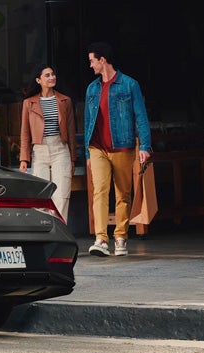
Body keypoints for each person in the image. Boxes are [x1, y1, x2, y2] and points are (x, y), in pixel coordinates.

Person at [84, 42, 152, 257]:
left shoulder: (130, 85)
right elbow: (87, 121)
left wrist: (145, 146)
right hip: (97, 147)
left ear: (102, 60)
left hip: (123, 146)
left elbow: (141, 117)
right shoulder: (92, 88)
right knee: (100, 191)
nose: (90, 65)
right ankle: (101, 239)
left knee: (123, 193)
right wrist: (86, 152)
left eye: (92, 61)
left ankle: (121, 237)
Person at [19, 65, 77, 223]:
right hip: (40, 151)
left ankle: (59, 229)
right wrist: (24, 159)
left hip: (61, 149)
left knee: (61, 194)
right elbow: (25, 132)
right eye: (47, 75)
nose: (52, 77)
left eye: (53, 74)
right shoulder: (29, 103)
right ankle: (43, 230)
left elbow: (71, 131)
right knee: (40, 195)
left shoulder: (65, 101)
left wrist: (73, 158)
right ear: (38, 80)